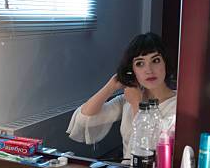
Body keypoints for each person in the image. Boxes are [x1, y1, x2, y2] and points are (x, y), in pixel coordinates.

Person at [66, 32, 177, 160]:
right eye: (140, 63)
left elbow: (151, 148)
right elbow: (83, 119)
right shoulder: (128, 99)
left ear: (165, 63)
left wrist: (137, 104)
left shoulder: (177, 106)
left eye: (155, 60)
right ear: (132, 70)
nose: (149, 70)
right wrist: (111, 85)